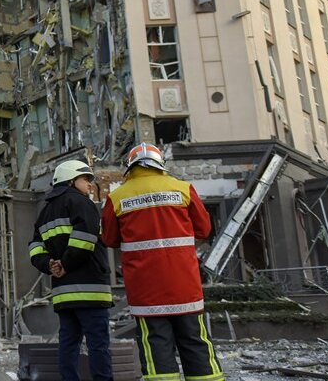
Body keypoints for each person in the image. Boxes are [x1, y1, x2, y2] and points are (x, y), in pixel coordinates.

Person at [101, 142, 224, 381]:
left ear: (130, 166)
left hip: (146, 291)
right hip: (184, 286)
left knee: (155, 345)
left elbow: (109, 238)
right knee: (195, 341)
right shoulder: (183, 189)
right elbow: (204, 228)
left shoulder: (117, 197)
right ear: (160, 164)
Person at [29, 159, 113, 381]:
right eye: (86, 179)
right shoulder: (82, 203)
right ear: (71, 180)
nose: (89, 185)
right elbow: (85, 240)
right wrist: (65, 264)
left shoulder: (44, 212)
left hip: (63, 294)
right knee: (98, 345)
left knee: (68, 345)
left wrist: (49, 264)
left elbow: (35, 247)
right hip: (91, 291)